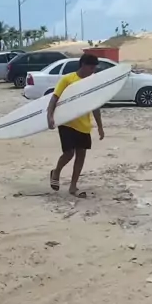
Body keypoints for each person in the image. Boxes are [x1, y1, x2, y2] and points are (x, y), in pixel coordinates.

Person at [47, 53, 104, 198]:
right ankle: (56, 172)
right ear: (83, 65)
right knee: (69, 153)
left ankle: (73, 186)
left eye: (94, 68)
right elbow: (54, 99)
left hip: (83, 125)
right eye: (91, 68)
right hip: (67, 122)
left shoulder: (92, 83)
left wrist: (100, 126)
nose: (93, 71)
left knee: (81, 156)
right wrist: (50, 116)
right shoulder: (68, 79)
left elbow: (95, 106)